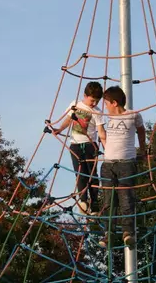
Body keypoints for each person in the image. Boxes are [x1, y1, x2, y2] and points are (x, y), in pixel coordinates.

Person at [98, 86, 146, 248]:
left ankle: (128, 232)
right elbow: (103, 135)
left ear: (115, 102)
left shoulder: (133, 115)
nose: (105, 106)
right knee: (109, 201)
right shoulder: (108, 118)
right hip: (108, 164)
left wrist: (143, 149)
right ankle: (108, 233)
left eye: (107, 103)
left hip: (126, 163)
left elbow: (141, 131)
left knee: (126, 199)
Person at [51, 81, 106, 215]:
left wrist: (107, 148)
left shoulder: (97, 112)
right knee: (80, 173)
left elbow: (101, 132)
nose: (94, 104)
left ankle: (94, 203)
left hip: (90, 145)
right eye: (92, 100)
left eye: (97, 101)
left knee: (92, 175)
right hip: (75, 144)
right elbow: (69, 119)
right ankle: (83, 199)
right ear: (85, 95)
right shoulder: (75, 105)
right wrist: (60, 129)